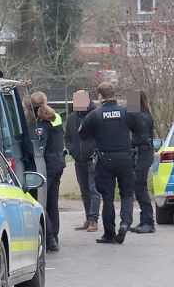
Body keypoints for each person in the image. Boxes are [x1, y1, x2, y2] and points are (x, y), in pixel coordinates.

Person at [79, 81, 140, 245]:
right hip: (126, 158)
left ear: (100, 96)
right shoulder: (126, 111)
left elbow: (83, 134)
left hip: (105, 159)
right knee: (127, 194)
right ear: (114, 94)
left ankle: (109, 233)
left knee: (108, 197)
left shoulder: (95, 114)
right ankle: (126, 222)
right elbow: (140, 128)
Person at [65, 90, 100, 233]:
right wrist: (73, 151)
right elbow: (67, 138)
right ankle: (88, 218)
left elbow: (100, 135)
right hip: (78, 160)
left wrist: (94, 150)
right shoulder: (71, 118)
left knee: (94, 190)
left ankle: (94, 220)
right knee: (84, 190)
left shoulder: (95, 116)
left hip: (93, 159)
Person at [34, 100, 66, 252]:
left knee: (42, 202)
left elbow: (40, 147)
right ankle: (55, 237)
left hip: (49, 164)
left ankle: (51, 238)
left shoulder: (41, 126)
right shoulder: (56, 118)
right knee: (53, 202)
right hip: (59, 161)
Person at [129, 91, 156, 234]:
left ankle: (149, 221)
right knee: (139, 187)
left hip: (142, 154)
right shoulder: (143, 115)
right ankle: (144, 219)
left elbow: (143, 139)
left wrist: (128, 142)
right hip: (142, 154)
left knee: (140, 187)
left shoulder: (141, 117)